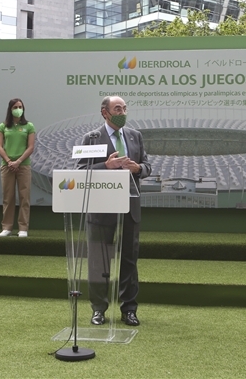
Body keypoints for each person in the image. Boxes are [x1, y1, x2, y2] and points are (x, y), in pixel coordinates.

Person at [77, 96, 151, 327]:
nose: (122, 112)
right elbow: (79, 171)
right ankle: (99, 309)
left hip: (130, 207)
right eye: (117, 108)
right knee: (99, 261)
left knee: (129, 259)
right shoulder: (91, 138)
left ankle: (129, 309)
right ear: (105, 113)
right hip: (101, 209)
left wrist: (138, 168)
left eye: (124, 108)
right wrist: (105, 166)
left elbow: (147, 166)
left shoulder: (135, 136)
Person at [0, 98, 35, 238]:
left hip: (23, 166)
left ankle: (23, 228)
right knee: (8, 197)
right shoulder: (3, 126)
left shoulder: (29, 126)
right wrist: (8, 161)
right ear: (10, 109)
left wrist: (18, 161)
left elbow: (30, 147)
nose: (18, 109)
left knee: (24, 197)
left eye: (20, 106)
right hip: (7, 166)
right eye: (15, 107)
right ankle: (7, 227)